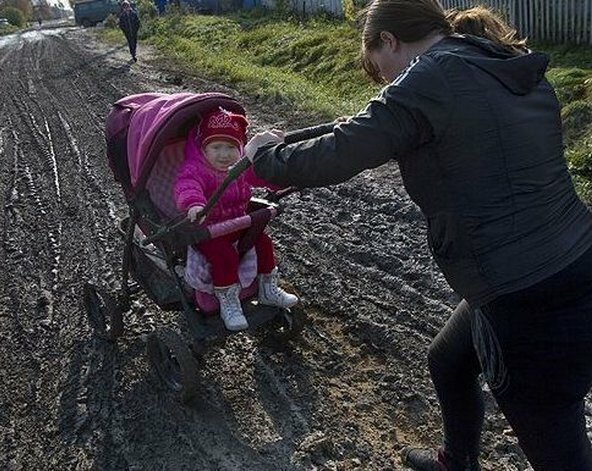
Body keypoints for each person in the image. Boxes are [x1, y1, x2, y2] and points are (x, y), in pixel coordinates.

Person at [245, 1, 592, 470]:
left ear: (388, 41)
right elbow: (386, 130)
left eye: (378, 68)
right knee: (448, 359)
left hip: (523, 291)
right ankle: (457, 461)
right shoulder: (491, 58)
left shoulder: (430, 78)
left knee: (557, 441)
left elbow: (343, 152)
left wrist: (265, 158)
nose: (385, 81)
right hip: (572, 254)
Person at [174, 108, 299, 331]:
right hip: (208, 231)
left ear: (240, 148)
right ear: (203, 149)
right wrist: (194, 205)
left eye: (231, 147)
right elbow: (187, 187)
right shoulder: (195, 169)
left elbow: (261, 175)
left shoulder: (239, 167)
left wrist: (283, 176)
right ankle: (228, 301)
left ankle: (267, 289)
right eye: (216, 147)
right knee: (225, 256)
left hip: (237, 225)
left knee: (264, 243)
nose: (224, 154)